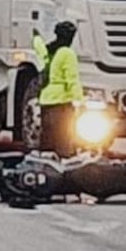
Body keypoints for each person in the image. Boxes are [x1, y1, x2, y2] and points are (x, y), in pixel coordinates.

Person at [35, 21, 82, 157]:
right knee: (63, 138)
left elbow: (38, 48)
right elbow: (72, 78)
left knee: (47, 139)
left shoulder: (49, 50)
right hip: (61, 103)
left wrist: (36, 36)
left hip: (46, 99)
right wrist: (79, 100)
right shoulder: (67, 53)